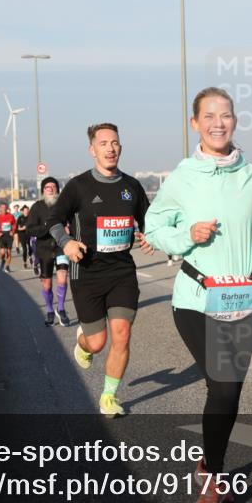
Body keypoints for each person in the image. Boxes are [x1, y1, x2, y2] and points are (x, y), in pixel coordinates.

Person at [144, 87, 252, 503]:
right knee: (224, 385)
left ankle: (207, 461)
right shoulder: (183, 176)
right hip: (194, 297)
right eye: (209, 115)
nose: (218, 122)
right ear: (195, 123)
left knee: (227, 392)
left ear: (235, 121)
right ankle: (213, 482)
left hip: (240, 298)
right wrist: (185, 236)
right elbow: (154, 227)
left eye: (226, 115)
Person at [49, 123, 153, 419]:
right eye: (104, 143)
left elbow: (148, 222)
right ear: (92, 150)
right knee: (98, 342)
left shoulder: (131, 186)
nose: (110, 148)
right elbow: (55, 219)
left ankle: (109, 396)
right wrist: (66, 242)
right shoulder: (79, 186)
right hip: (88, 273)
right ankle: (84, 343)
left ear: (121, 147)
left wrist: (152, 236)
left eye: (115, 142)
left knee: (122, 333)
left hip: (122, 272)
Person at [27, 178, 70, 327]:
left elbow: (72, 222)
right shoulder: (37, 207)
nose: (50, 189)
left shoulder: (64, 206)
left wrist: (69, 229)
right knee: (46, 284)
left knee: (63, 278)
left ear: (57, 189)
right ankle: (50, 311)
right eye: (47, 187)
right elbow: (30, 228)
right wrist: (47, 228)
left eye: (53, 186)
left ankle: (62, 308)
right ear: (43, 190)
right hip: (44, 249)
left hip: (61, 247)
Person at [0, 203, 17, 272]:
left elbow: (14, 224)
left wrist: (12, 232)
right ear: (0, 208)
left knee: (9, 252)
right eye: (2, 207)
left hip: (9, 235)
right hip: (2, 234)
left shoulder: (11, 216)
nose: (4, 209)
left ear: (7, 208)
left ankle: (7, 266)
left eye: (5, 207)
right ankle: (2, 260)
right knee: (2, 252)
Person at [17, 205, 32, 269]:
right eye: (25, 210)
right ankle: (25, 262)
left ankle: (30, 256)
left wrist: (28, 227)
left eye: (27, 210)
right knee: (25, 249)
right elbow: (18, 228)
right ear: (22, 211)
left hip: (30, 234)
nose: (26, 212)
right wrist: (23, 228)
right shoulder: (20, 218)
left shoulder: (31, 217)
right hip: (22, 235)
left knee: (31, 247)